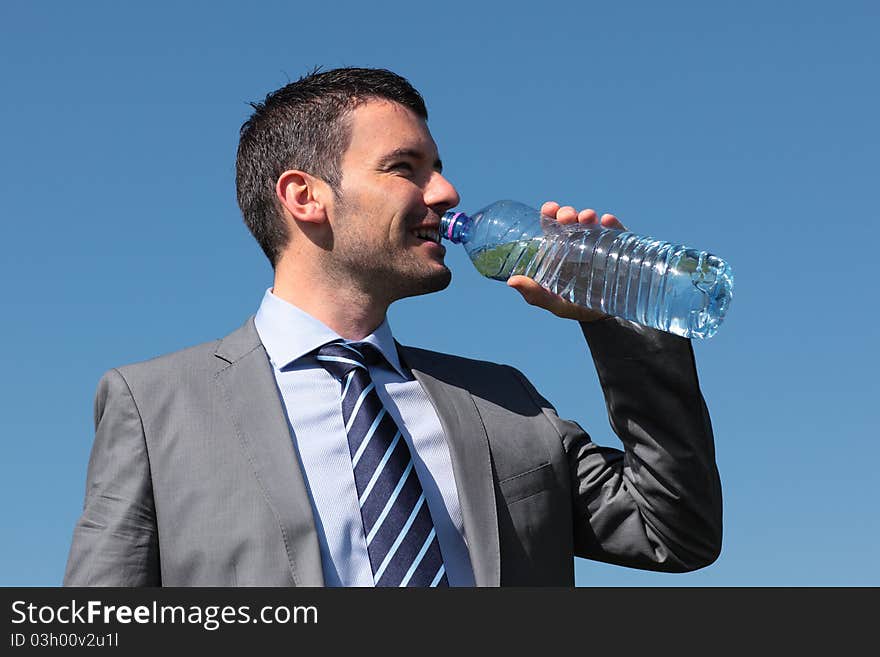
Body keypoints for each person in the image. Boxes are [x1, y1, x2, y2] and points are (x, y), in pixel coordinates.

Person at [64, 67, 722, 587]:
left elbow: (677, 530)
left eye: (437, 167)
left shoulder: (507, 404)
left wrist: (620, 318)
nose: (446, 192)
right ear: (306, 197)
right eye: (406, 168)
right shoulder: (156, 407)